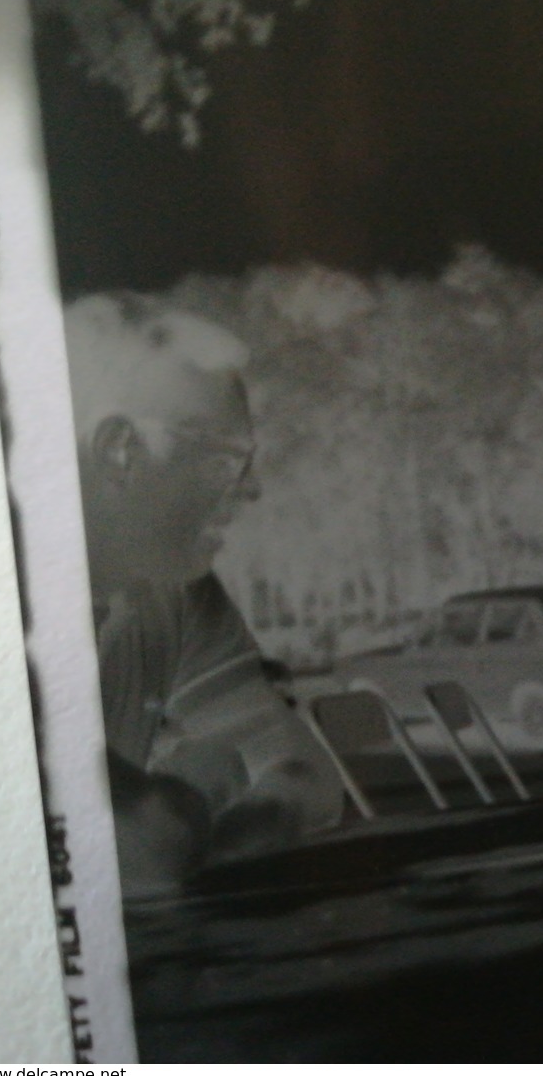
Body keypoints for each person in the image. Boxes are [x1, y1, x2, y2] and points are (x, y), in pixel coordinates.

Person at [67, 292, 344, 895]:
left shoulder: (176, 590)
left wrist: (246, 818)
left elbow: (310, 773)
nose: (253, 492)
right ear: (120, 451)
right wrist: (208, 783)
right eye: (226, 462)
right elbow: (142, 849)